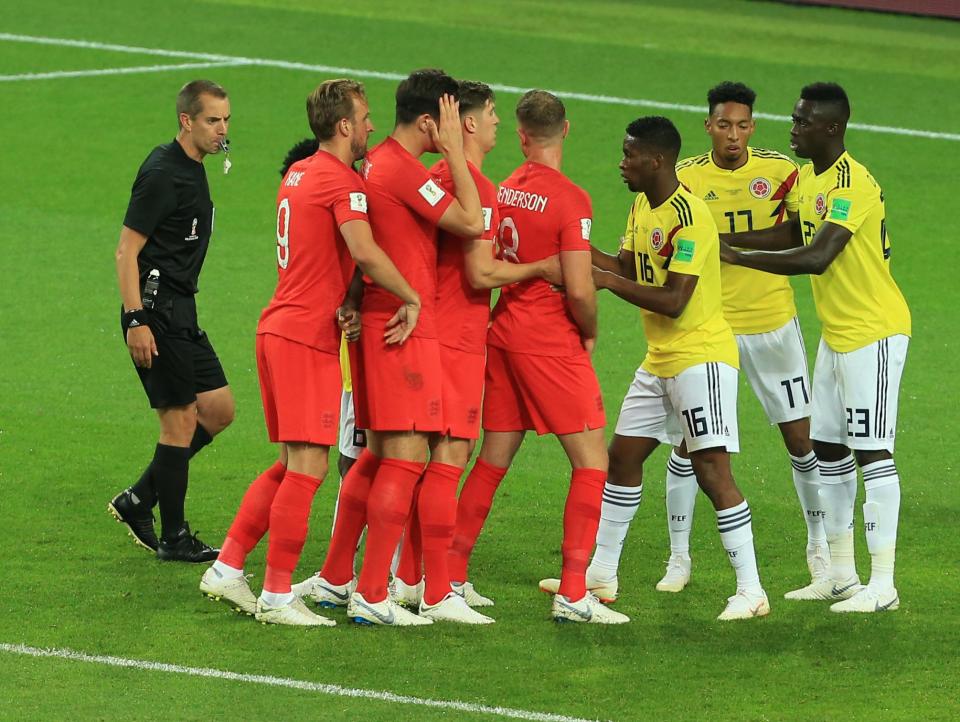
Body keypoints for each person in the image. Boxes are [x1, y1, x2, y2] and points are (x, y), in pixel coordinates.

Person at [198, 79, 422, 626]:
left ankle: (228, 567)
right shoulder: (342, 181)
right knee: (309, 467)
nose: (372, 126)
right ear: (343, 126)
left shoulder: (299, 173)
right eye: (365, 118)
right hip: (303, 339)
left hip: (280, 327)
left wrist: (344, 300)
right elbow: (364, 251)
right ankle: (277, 595)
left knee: (289, 465)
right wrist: (412, 296)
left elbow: (320, 254)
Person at [545, 116, 771, 621]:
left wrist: (600, 281)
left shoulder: (690, 217)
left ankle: (751, 589)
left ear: (657, 160)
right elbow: (628, 267)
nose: (621, 164)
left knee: (712, 471)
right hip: (661, 359)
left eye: (629, 156)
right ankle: (601, 574)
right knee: (621, 459)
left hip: (701, 358)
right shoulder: (641, 205)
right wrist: (572, 249)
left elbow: (673, 299)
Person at [297, 69, 485, 627]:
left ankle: (337, 580)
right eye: (448, 119)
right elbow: (472, 221)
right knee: (407, 458)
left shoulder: (374, 164)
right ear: (430, 121)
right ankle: (373, 592)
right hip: (403, 322)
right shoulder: (404, 171)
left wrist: (354, 294)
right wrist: (456, 154)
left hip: (381, 317)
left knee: (382, 455)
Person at [720, 83, 910, 613]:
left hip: (873, 331)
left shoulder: (854, 183)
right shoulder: (808, 177)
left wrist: (739, 260)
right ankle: (843, 575)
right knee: (828, 447)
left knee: (872, 451)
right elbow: (790, 232)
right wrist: (730, 242)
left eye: (802, 121)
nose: (793, 128)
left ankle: (884, 584)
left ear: (831, 128)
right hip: (837, 334)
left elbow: (818, 255)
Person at [644, 81, 827, 594]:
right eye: (723, 125)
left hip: (771, 323)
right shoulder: (683, 178)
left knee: (800, 438)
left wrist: (723, 244)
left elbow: (798, 233)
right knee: (687, 443)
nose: (733, 135)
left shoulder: (779, 171)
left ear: (752, 126)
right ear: (708, 126)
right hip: (707, 331)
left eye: (742, 125)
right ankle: (678, 557)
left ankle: (819, 544)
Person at [451, 90, 626, 625]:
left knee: (493, 457)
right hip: (548, 341)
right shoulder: (572, 199)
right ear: (566, 130)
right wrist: (590, 332)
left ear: (523, 136)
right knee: (593, 461)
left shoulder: (503, 188)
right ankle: (574, 592)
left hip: (502, 334)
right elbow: (578, 286)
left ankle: (451, 575)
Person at [389, 81, 560, 617]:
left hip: (441, 334)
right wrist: (539, 270)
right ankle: (435, 589)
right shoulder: (472, 187)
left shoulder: (443, 176)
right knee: (447, 459)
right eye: (488, 114)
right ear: (465, 122)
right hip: (453, 338)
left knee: (430, 461)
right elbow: (480, 271)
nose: (496, 124)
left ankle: (413, 581)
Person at [109, 80, 235, 563]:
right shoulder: (164, 171)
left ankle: (138, 499)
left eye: (226, 119)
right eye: (212, 120)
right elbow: (127, 249)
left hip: (182, 307)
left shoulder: (193, 166)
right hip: (155, 309)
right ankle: (174, 536)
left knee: (219, 409)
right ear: (187, 121)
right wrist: (135, 318)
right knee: (180, 420)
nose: (222, 129)